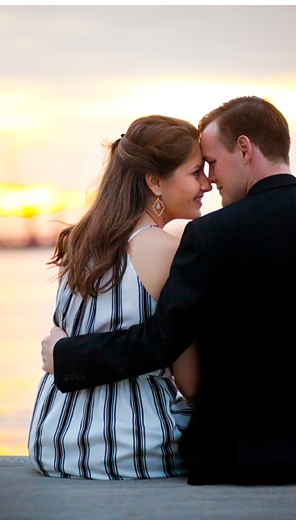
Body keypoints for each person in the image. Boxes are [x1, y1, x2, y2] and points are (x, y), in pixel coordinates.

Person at [42, 96, 296, 486]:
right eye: (200, 170)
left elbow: (163, 341)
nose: (211, 179)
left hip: (246, 455)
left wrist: (68, 356)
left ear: (244, 148)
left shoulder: (210, 236)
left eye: (212, 163)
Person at [28, 115, 211, 479]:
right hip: (134, 446)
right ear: (155, 182)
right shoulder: (170, 252)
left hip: (54, 440)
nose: (207, 184)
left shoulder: (79, 243)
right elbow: (190, 385)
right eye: (195, 173)